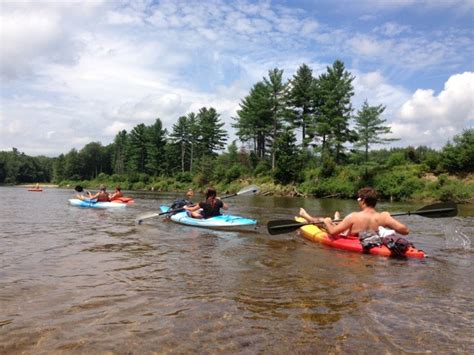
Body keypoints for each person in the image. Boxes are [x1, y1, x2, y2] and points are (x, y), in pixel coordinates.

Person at [299, 187, 409, 238]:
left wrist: (327, 222)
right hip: (361, 236)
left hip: (351, 234)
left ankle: (306, 216)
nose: (358, 202)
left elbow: (332, 232)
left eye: (358, 199)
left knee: (324, 220)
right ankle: (336, 219)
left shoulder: (353, 217)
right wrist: (388, 220)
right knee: (341, 224)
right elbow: (405, 231)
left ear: (363, 201)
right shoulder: (384, 217)